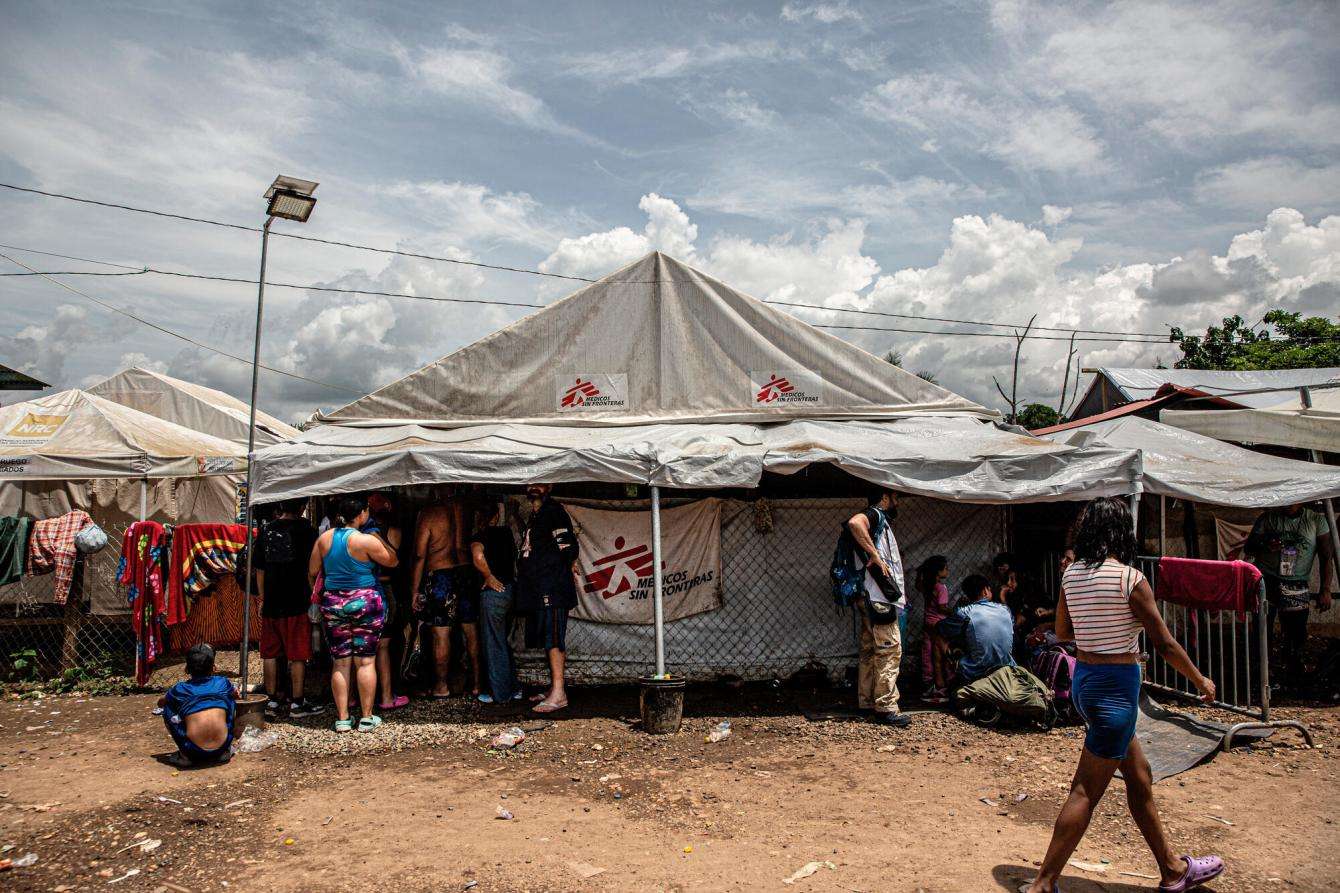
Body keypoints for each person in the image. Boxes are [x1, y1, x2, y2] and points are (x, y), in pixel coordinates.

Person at [1025, 497, 1223, 893]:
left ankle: (1171, 869)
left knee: (1139, 775)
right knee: (1084, 790)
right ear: (1121, 532)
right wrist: (1200, 681)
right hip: (1116, 691)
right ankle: (1044, 883)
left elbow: (1063, 633)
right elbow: (1164, 644)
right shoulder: (1130, 579)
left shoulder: (1072, 575)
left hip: (1086, 683)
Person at [309, 494, 398, 733]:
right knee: (366, 660)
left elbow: (312, 571)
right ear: (361, 515)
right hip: (365, 601)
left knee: (340, 662)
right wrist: (379, 537)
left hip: (333, 602)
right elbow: (393, 561)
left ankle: (342, 718)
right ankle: (367, 718)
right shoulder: (366, 540)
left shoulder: (325, 539)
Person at [1244, 502, 1334, 691]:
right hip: (1267, 580)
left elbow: (1326, 556)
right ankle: (1262, 675)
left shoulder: (1316, 520)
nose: (1290, 504)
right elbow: (1249, 547)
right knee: (1262, 629)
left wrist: (1326, 589)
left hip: (1297, 582)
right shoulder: (1269, 518)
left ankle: (1293, 675)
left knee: (1296, 633)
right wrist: (1265, 544)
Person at [844, 488, 910, 728]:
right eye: (895, 497)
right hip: (878, 597)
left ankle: (867, 700)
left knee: (869, 650)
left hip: (867, 596)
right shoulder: (874, 515)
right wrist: (875, 556)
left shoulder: (878, 521)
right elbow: (854, 523)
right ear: (884, 498)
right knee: (889, 649)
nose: (897, 502)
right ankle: (886, 705)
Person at [514, 483, 579, 713]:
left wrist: (569, 563)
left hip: (553, 588)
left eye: (540, 484)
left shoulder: (553, 511)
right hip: (539, 588)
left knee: (554, 640)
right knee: (547, 639)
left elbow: (568, 545)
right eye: (531, 483)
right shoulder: (535, 514)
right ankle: (554, 688)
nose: (534, 487)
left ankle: (559, 694)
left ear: (549, 486)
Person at [254, 500, 322, 718]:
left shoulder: (266, 531)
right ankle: (297, 702)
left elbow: (260, 569)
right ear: (301, 508)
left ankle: (271, 701)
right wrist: (315, 595)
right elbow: (313, 569)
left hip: (272, 601)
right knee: (298, 654)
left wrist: (263, 598)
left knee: (270, 653)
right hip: (297, 600)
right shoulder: (308, 532)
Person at [411, 491, 481, 698]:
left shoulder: (429, 513)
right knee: (471, 631)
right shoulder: (466, 509)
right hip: (466, 572)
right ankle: (477, 684)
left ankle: (441, 686)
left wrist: (414, 589)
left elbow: (419, 554)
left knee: (441, 634)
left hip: (441, 573)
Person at [469, 501, 520, 704]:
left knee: (493, 644)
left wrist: (488, 576)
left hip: (494, 593)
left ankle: (500, 694)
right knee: (503, 642)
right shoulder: (506, 533)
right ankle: (513, 688)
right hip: (510, 590)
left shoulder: (480, 536)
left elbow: (477, 556)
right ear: (496, 517)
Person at [363, 493, 409, 711]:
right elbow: (393, 560)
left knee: (371, 646)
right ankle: (386, 696)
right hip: (377, 588)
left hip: (381, 588)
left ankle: (374, 697)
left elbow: (393, 560)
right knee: (382, 646)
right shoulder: (370, 532)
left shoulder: (374, 531)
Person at [158, 643, 237, 767]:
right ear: (214, 668)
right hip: (222, 747)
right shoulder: (222, 682)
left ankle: (185, 756)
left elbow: (161, 702)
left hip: (192, 750)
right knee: (231, 700)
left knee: (167, 707)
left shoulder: (180, 689)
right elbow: (235, 695)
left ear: (186, 669)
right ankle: (225, 751)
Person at [935, 574, 1015, 685]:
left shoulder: (965, 612)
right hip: (1007, 667)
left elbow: (941, 628)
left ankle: (940, 685)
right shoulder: (1005, 609)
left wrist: (957, 610)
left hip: (977, 671)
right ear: (985, 592)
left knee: (939, 639)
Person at [915, 555, 951, 703]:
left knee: (927, 654)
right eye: (945, 568)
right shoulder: (941, 588)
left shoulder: (926, 586)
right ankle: (942, 686)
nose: (948, 571)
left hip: (927, 623)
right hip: (938, 625)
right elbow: (942, 608)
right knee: (940, 656)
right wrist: (954, 611)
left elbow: (918, 585)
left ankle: (928, 684)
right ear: (938, 572)